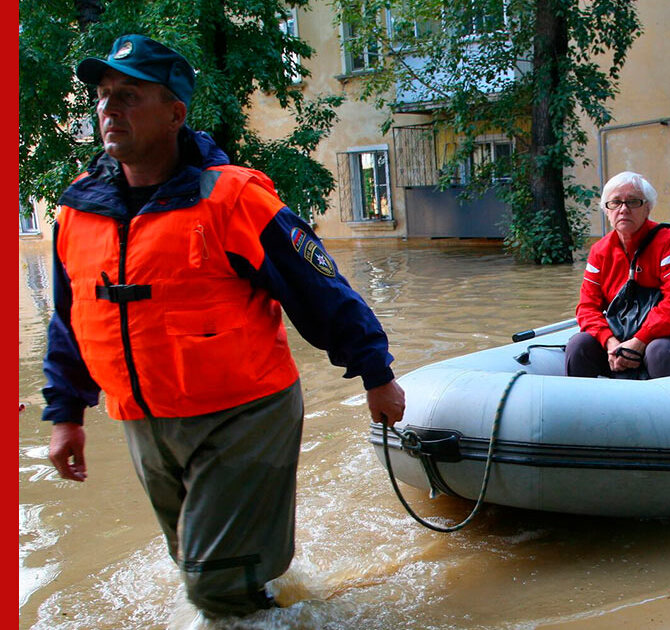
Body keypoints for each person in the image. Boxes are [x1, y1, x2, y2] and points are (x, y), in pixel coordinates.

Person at [42, 35, 407, 620]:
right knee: (194, 564)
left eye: (129, 96)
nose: (109, 109)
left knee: (212, 587)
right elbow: (71, 321)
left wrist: (375, 374)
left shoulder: (234, 199)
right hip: (144, 422)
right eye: (104, 96)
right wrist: (64, 415)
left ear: (174, 114)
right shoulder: (76, 212)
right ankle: (273, 601)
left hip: (243, 416)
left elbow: (322, 291)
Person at [566, 171, 670, 378]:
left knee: (658, 351)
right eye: (615, 203)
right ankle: (582, 408)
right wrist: (610, 342)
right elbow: (587, 308)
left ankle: (664, 409)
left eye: (633, 202)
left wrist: (639, 341)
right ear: (606, 210)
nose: (623, 209)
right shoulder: (599, 251)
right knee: (579, 345)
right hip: (619, 340)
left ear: (647, 207)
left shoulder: (669, 242)